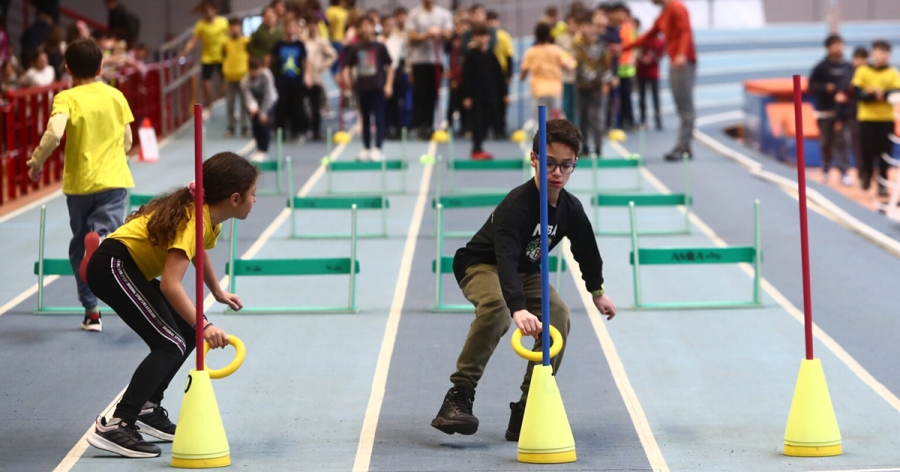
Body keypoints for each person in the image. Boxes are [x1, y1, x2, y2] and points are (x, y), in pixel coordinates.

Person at [429, 119, 616, 439]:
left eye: (566, 165)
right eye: (550, 163)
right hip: (482, 264)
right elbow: (503, 258)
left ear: (574, 165)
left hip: (526, 271)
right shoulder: (517, 205)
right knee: (496, 308)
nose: (557, 172)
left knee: (558, 315)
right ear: (534, 159)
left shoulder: (570, 208)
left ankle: (529, 405)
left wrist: (597, 291)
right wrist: (517, 308)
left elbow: (586, 249)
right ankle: (459, 395)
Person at [83, 152, 257, 458]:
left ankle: (148, 408)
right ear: (234, 198)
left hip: (129, 267)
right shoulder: (194, 219)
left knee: (185, 335)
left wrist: (216, 291)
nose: (255, 200)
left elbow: (197, 252)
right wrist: (205, 324)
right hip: (113, 265)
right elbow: (170, 284)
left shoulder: (206, 219)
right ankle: (118, 422)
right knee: (170, 342)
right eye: (253, 194)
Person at [25, 39, 135, 331]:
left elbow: (54, 134)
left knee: (78, 248)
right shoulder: (116, 96)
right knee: (107, 228)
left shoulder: (66, 98)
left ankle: (91, 311)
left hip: (79, 184)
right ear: (100, 67)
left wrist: (36, 163)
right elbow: (128, 140)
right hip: (113, 179)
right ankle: (100, 235)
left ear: (67, 68)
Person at [624, 0, 696, 161]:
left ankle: (683, 146)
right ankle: (686, 146)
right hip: (676, 61)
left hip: (683, 62)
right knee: (681, 106)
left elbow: (685, 31)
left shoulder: (677, 7)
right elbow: (649, 35)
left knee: (685, 107)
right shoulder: (665, 13)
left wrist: (682, 54)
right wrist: (624, 48)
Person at [851, 39, 900, 197]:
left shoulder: (892, 73)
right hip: (866, 118)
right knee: (866, 150)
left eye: (886, 53)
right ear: (872, 53)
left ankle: (882, 182)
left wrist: (882, 94)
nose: (883, 56)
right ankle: (867, 175)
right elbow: (857, 92)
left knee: (885, 153)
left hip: (885, 119)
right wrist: (872, 96)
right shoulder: (863, 71)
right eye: (880, 52)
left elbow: (895, 92)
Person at [343, 16, 393, 161]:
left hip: (377, 86)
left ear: (373, 27)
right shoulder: (355, 48)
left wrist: (388, 84)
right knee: (364, 118)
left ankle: (378, 148)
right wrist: (346, 77)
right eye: (362, 26)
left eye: (367, 25)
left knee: (378, 117)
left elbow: (390, 67)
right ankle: (366, 148)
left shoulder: (380, 47)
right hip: (362, 87)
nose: (365, 29)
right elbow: (347, 67)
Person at [809, 34, 854, 185]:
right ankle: (826, 169)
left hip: (842, 112)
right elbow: (812, 86)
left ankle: (844, 171)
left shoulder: (848, 67)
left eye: (840, 45)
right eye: (835, 45)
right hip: (825, 111)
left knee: (842, 141)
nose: (838, 48)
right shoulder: (821, 67)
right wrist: (825, 88)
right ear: (828, 48)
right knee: (826, 142)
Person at [406, 0, 453, 140]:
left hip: (436, 60)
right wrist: (426, 35)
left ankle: (431, 124)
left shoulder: (443, 14)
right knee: (420, 93)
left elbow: (449, 33)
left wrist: (440, 32)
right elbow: (411, 35)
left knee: (434, 93)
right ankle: (420, 125)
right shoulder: (414, 14)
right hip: (419, 60)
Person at [180, 1, 229, 121]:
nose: (208, 12)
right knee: (206, 83)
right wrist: (184, 52)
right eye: (206, 10)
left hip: (222, 56)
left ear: (215, 10)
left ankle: (226, 103)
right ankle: (208, 106)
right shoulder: (200, 25)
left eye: (210, 9)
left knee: (227, 82)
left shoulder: (223, 22)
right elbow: (193, 40)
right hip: (207, 57)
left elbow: (229, 37)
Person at [573, 13, 613, 156]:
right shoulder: (576, 45)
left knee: (595, 118)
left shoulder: (599, 44)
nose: (585, 29)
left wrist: (606, 83)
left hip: (596, 86)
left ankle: (598, 147)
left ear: (592, 27)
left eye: (588, 26)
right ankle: (584, 148)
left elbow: (606, 65)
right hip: (581, 86)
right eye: (582, 26)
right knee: (582, 117)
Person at [461, 24, 503, 160]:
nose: (482, 38)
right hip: (476, 96)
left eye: (484, 35)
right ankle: (476, 148)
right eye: (479, 35)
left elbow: (499, 75)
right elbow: (466, 77)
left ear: (489, 37)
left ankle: (480, 148)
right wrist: (467, 96)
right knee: (477, 121)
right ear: (474, 37)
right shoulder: (471, 56)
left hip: (490, 95)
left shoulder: (491, 54)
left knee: (486, 121)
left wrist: (504, 93)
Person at [520, 22, 576, 124]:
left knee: (539, 122)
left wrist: (522, 77)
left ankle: (541, 140)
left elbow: (523, 72)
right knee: (556, 121)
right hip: (554, 91)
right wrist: (571, 59)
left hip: (538, 90)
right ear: (549, 36)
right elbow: (569, 67)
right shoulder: (556, 50)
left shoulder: (531, 52)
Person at [271, 18, 311, 141]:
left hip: (296, 81)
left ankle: (297, 131)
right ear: (284, 28)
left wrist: (306, 75)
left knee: (297, 106)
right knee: (282, 106)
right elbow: (272, 61)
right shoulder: (279, 44)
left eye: (293, 27)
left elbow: (305, 61)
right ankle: (281, 131)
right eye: (288, 27)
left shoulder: (300, 44)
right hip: (282, 81)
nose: (290, 29)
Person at [304, 14, 337, 141]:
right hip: (304, 77)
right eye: (310, 25)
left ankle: (316, 131)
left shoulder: (322, 41)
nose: (312, 28)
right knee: (304, 106)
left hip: (316, 77)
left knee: (315, 105)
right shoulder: (304, 40)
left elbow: (333, 55)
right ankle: (306, 128)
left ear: (317, 27)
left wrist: (323, 65)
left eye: (314, 25)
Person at [242, 56, 278, 160]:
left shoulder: (266, 75)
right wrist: (253, 107)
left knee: (264, 124)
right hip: (255, 104)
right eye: (252, 70)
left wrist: (263, 112)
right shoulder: (245, 81)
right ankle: (259, 149)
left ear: (261, 68)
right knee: (255, 125)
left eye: (256, 70)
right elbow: (248, 96)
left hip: (269, 102)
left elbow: (268, 94)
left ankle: (264, 150)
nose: (254, 73)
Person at [222, 17, 250, 138]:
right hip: (229, 77)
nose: (234, 29)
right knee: (230, 104)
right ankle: (231, 127)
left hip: (244, 77)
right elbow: (223, 55)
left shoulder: (246, 41)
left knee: (245, 104)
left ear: (241, 28)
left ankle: (245, 127)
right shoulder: (225, 42)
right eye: (232, 26)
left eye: (237, 26)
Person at [635, 18, 663, 131]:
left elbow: (661, 56)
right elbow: (636, 52)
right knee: (642, 97)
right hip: (642, 72)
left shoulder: (660, 42)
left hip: (653, 73)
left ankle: (658, 120)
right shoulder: (643, 40)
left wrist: (651, 59)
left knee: (655, 97)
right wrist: (642, 58)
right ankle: (643, 120)